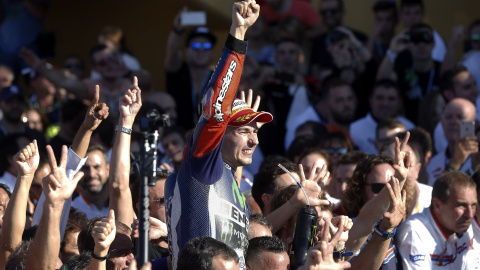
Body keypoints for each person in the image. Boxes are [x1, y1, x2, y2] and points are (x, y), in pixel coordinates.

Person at [165, 2, 266, 269]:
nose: (254, 140)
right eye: (244, 131)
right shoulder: (203, 166)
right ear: (219, 135)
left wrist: (244, 126)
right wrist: (238, 34)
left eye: (256, 132)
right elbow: (217, 106)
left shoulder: (229, 179)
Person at [396, 171, 478, 268]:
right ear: (437, 205)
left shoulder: (463, 224)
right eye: (461, 206)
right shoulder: (415, 232)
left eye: (473, 205)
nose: (470, 214)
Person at [377, 23, 441, 122]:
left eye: (426, 39)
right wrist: (392, 50)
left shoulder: (441, 68)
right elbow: (381, 83)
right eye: (416, 40)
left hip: (438, 126)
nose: (421, 45)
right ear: (408, 44)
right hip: (409, 128)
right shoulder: (403, 70)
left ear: (433, 43)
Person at [165, 10, 217, 130]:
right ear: (186, 51)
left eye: (207, 46)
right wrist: (177, 31)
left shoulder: (218, 77)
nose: (201, 50)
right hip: (178, 139)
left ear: (212, 52)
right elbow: (172, 53)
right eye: (195, 46)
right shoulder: (178, 71)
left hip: (208, 140)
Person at [285, 78, 357, 150]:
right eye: (339, 100)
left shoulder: (362, 131)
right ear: (326, 104)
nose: (346, 104)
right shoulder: (322, 139)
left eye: (350, 98)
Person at [349, 79, 414, 154]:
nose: (385, 103)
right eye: (380, 98)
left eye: (391, 99)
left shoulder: (409, 128)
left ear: (400, 102)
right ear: (371, 100)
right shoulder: (354, 130)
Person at [426, 98, 478, 185]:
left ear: (475, 124)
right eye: (448, 117)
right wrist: (454, 163)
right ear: (442, 123)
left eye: (460, 117)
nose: (453, 122)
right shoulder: (433, 163)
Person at [433, 66, 480, 153]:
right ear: (449, 94)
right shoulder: (444, 129)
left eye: (474, 84)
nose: (476, 91)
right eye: (467, 87)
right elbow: (459, 158)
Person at [71, 144, 110, 219]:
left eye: (97, 167)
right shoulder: (72, 212)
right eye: (86, 168)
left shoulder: (119, 203)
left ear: (108, 169)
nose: (91, 174)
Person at [368, 1, 398, 66]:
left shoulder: (399, 44)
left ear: (395, 21)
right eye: (380, 19)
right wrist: (372, 39)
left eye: (388, 19)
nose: (384, 24)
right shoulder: (370, 44)